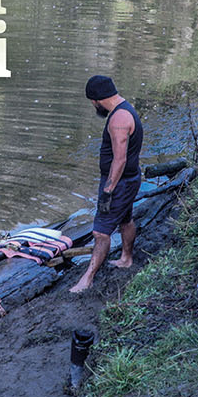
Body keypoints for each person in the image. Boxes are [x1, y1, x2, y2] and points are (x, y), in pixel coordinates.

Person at [70, 75, 143, 294]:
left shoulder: (118, 120)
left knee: (101, 233)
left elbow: (119, 159)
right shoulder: (125, 109)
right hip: (129, 180)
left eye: (92, 102)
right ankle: (126, 258)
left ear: (97, 99)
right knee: (126, 220)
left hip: (119, 184)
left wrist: (108, 190)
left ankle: (87, 279)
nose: (93, 106)